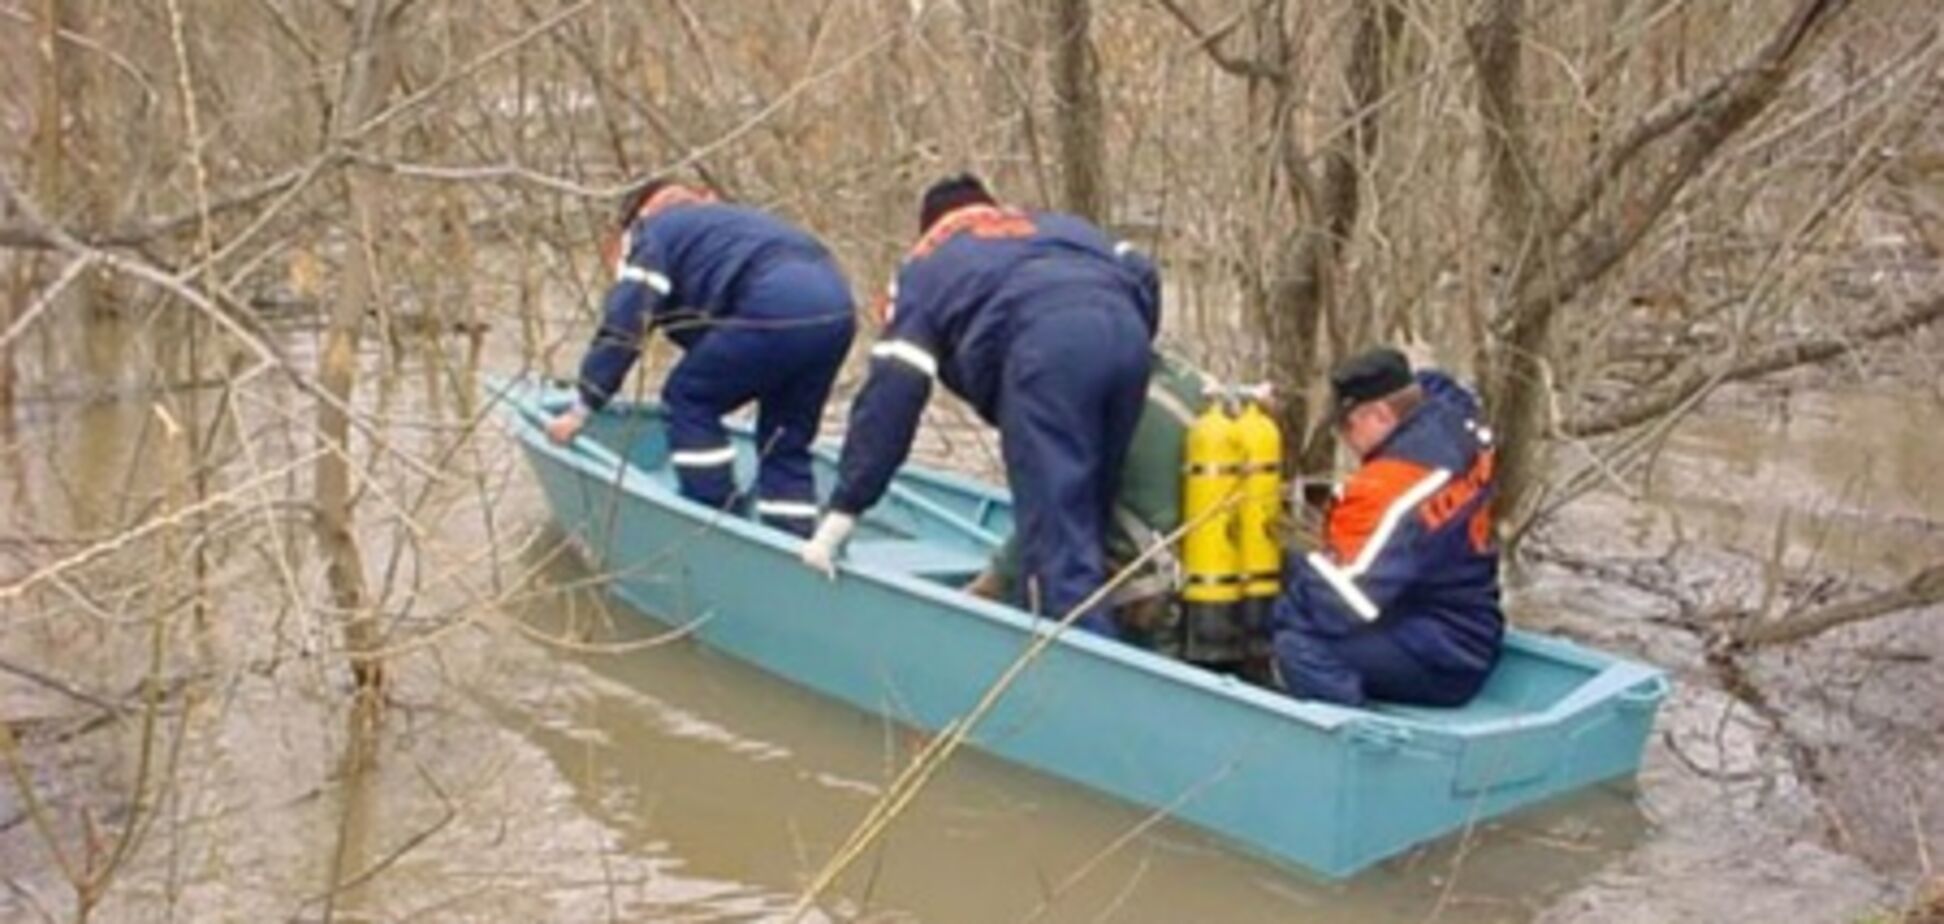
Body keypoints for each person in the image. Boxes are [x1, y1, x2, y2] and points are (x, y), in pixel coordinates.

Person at [799, 174, 1159, 638]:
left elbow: (894, 393)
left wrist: (845, 508)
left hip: (1045, 352)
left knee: (1058, 553)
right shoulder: (1056, 226)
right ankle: (1100, 629)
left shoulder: (926, 266)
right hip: (1125, 338)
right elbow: (1140, 267)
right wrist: (1134, 336)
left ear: (930, 226)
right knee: (1089, 514)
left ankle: (1093, 680)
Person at [547, 179, 856, 537]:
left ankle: (714, 517)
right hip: (837, 310)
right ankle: (792, 536)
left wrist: (585, 402)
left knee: (688, 398)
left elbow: (628, 320)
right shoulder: (729, 226)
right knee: (784, 438)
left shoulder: (652, 234)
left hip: (774, 304)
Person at [1266, 347, 1503, 707]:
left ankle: (1354, 740)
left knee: (1297, 644)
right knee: (1299, 571)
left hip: (1444, 653)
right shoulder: (1455, 419)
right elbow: (1440, 383)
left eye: (1347, 424)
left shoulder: (1387, 490)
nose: (1343, 437)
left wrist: (1268, 613)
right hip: (1469, 615)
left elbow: (1345, 601)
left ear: (1379, 414)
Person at [963, 352, 1211, 650]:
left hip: (1147, 606)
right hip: (1218, 590)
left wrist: (986, 589)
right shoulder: (1190, 381)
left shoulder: (1090, 399)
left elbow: (1048, 513)